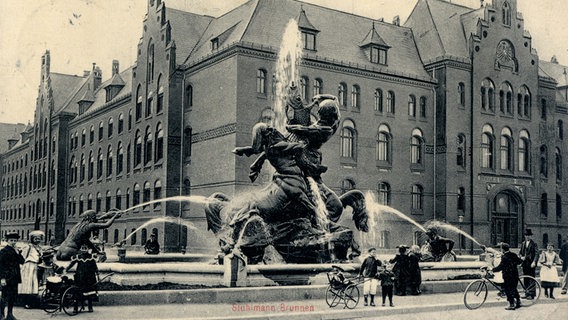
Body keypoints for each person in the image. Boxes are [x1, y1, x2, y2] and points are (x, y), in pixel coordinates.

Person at [65, 244, 99, 313]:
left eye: (85, 248)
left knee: (89, 292)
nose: (84, 250)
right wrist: (66, 269)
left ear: (88, 249)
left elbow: (94, 266)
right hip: (80, 277)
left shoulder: (91, 257)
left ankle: (90, 307)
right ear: (80, 249)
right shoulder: (78, 257)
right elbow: (72, 263)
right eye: (82, 248)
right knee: (77, 292)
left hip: (89, 277)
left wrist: (97, 274)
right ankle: (75, 308)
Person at [0, 232, 25, 320]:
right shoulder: (3, 251)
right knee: (4, 296)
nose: (13, 242)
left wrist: (18, 253)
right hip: (6, 277)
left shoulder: (16, 251)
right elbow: (1, 266)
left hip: (15, 277)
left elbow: (22, 261)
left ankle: (10, 314)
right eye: (11, 240)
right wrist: (2, 278)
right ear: (7, 241)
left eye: (15, 240)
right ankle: (1, 314)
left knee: (12, 296)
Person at [490, 242, 523, 310]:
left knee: (508, 290)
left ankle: (511, 304)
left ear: (503, 250)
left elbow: (500, 267)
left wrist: (492, 269)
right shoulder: (513, 254)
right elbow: (519, 261)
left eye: (501, 249)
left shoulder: (504, 257)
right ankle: (518, 302)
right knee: (513, 289)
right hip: (515, 275)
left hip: (508, 276)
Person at [18, 230, 44, 309]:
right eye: (36, 238)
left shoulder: (39, 248)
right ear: (32, 239)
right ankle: (26, 302)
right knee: (27, 285)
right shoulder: (28, 247)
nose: (37, 240)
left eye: (39, 239)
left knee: (34, 285)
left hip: (35, 266)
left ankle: (32, 302)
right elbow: (22, 257)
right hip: (28, 266)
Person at [519, 228, 538, 299]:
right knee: (525, 278)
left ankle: (532, 294)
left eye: (529, 235)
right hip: (525, 264)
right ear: (524, 236)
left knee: (532, 278)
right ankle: (526, 293)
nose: (527, 237)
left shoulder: (534, 244)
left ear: (531, 236)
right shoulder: (523, 243)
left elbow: (536, 254)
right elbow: (520, 252)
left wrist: (534, 262)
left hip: (531, 263)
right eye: (526, 235)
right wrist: (520, 257)